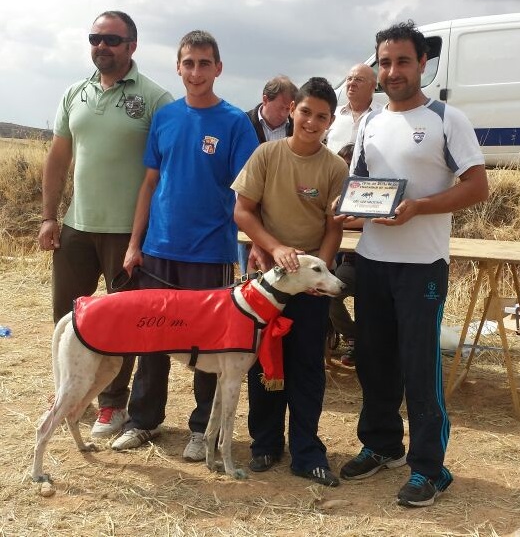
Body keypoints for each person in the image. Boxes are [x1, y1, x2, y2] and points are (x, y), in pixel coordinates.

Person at [338, 21, 488, 507]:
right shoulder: (370, 123)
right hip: (373, 261)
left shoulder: (447, 118)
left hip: (422, 263)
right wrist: (349, 211)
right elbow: (360, 184)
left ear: (423, 63)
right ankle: (382, 445)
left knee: (420, 369)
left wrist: (420, 207)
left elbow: (477, 186)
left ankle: (431, 468)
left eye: (403, 61)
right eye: (385, 62)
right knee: (375, 361)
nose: (393, 70)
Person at [111, 30, 259, 461]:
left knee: (205, 345)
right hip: (158, 250)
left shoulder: (235, 123)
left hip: (210, 253)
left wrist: (252, 247)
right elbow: (150, 184)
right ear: (178, 67)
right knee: (150, 339)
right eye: (188, 63)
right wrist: (134, 244)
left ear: (218, 68)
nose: (196, 72)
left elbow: (246, 194)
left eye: (204, 63)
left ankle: (201, 430)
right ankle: (143, 421)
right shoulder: (166, 117)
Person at [37, 11, 173, 438]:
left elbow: (167, 169)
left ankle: (111, 406)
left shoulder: (156, 99)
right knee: (68, 319)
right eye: (96, 38)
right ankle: (68, 396)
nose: (102, 46)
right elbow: (58, 159)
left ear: (132, 45)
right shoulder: (75, 93)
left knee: (120, 325)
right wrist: (47, 217)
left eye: (112, 40)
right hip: (76, 226)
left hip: (128, 233)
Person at [232, 77, 348, 487]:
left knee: (307, 367)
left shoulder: (336, 168)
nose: (311, 122)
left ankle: (307, 451)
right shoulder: (266, 155)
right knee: (264, 362)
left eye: (321, 116)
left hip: (311, 287)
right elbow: (244, 212)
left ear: (331, 122)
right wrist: (273, 247)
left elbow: (334, 228)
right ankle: (264, 444)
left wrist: (321, 273)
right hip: (266, 284)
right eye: (305, 112)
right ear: (291, 111)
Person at [238, 75, 298, 274]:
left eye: (289, 108)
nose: (285, 113)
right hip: (246, 208)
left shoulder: (296, 129)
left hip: (281, 213)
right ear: (265, 99)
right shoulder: (242, 123)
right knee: (252, 276)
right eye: (281, 107)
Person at [327, 143, 362, 367]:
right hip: (351, 262)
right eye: (343, 166)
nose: (345, 171)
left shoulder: (366, 188)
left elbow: (373, 217)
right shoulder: (334, 189)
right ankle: (353, 336)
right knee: (329, 293)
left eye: (349, 166)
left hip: (378, 262)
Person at [326, 63, 378, 154]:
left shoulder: (382, 116)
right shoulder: (334, 113)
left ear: (373, 86)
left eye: (358, 79)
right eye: (349, 79)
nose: (351, 83)